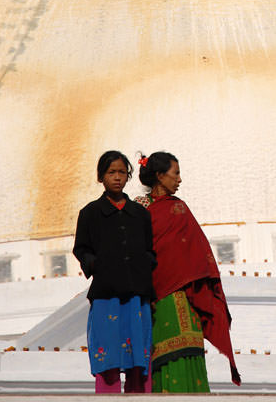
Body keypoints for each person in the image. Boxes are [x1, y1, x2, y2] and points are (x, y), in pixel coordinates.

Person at [135, 151, 241, 392]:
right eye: (176, 173)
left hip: (188, 294)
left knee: (191, 350)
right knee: (164, 355)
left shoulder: (179, 209)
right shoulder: (138, 209)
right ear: (160, 176)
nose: (180, 179)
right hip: (156, 297)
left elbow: (196, 252)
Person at [73, 150, 156, 394]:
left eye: (122, 172)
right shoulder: (89, 214)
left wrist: (143, 267)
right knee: (107, 355)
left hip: (136, 295)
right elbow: (81, 249)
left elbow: (150, 251)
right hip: (106, 295)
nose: (117, 177)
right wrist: (98, 265)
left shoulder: (140, 214)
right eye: (111, 172)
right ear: (101, 177)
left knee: (138, 360)